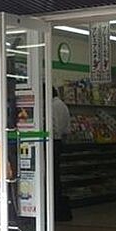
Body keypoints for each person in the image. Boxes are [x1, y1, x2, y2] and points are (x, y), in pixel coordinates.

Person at [52, 87, 72, 221]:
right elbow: (67, 129)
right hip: (60, 142)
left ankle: (54, 206)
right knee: (56, 174)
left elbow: (53, 127)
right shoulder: (63, 105)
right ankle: (58, 206)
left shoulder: (51, 106)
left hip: (52, 142)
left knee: (52, 175)